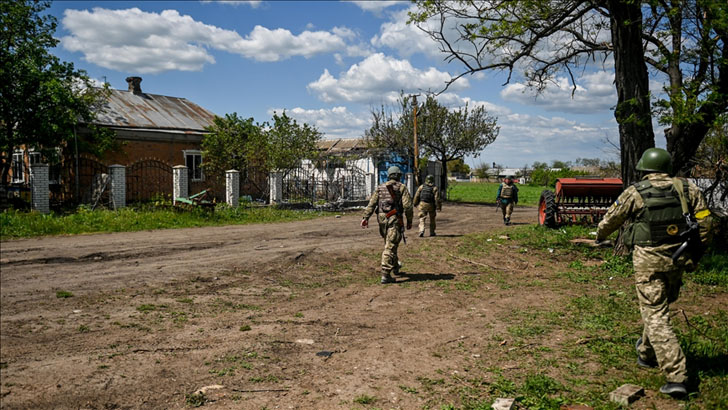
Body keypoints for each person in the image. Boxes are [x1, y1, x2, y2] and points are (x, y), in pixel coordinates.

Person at [596, 148, 713, 398]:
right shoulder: (687, 189)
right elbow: (706, 222)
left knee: (656, 314)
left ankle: (677, 375)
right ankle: (646, 353)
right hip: (677, 259)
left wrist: (599, 235)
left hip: (648, 261)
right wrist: (697, 252)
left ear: (644, 169)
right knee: (658, 308)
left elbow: (610, 220)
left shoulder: (635, 192)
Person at [361, 166, 414, 284]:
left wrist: (365, 217)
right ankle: (385, 273)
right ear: (398, 175)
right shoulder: (402, 187)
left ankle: (395, 267)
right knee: (390, 245)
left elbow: (372, 204)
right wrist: (409, 220)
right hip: (394, 219)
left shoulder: (380, 188)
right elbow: (408, 206)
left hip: (382, 219)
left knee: (389, 243)